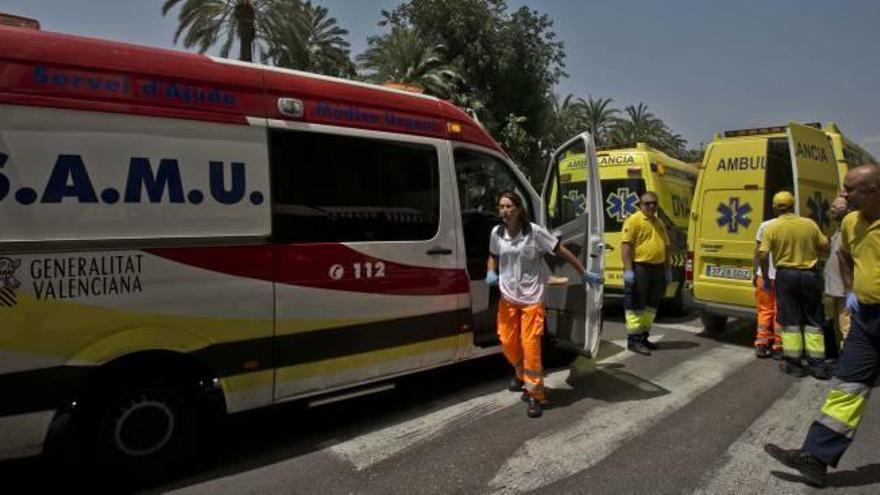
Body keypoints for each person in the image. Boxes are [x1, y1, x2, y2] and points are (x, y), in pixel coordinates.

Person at [765, 165, 880, 488]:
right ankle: (815, 457)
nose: (842, 195)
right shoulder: (851, 222)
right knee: (847, 387)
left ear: (873, 192)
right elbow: (843, 255)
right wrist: (852, 289)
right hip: (867, 318)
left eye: (849, 189)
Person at [486, 191, 603, 418]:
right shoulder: (497, 233)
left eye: (509, 206)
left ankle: (535, 395)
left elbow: (562, 251)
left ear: (519, 209)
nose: (504, 211)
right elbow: (492, 255)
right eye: (501, 207)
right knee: (508, 342)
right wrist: (491, 271)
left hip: (531, 299)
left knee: (530, 347)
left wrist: (583, 272)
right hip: (508, 298)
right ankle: (520, 374)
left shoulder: (534, 233)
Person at [759, 191, 829, 379]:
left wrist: (765, 275)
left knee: (791, 321)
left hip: (786, 276)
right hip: (810, 275)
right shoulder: (809, 224)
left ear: (775, 208)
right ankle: (818, 365)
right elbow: (824, 246)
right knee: (813, 319)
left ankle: (795, 364)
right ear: (793, 205)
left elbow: (763, 254)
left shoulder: (771, 227)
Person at [621, 191, 670, 356]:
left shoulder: (659, 222)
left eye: (654, 203)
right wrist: (628, 271)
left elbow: (666, 246)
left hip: (657, 269)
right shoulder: (634, 220)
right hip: (640, 267)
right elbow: (626, 246)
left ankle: (643, 337)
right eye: (647, 203)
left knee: (651, 306)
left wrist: (667, 269)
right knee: (636, 305)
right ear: (640, 205)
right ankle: (634, 340)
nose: (651, 206)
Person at [824, 196, 851, 351]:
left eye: (836, 207)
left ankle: (848, 356)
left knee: (846, 324)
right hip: (835, 287)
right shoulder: (839, 228)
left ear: (848, 209)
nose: (831, 210)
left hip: (844, 288)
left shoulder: (850, 229)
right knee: (837, 323)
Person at [752, 218, 782, 359]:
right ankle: (778, 345)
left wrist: (755, 272)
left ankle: (762, 343)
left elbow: (758, 252)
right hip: (782, 276)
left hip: (764, 276)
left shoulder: (764, 225)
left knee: (764, 310)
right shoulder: (793, 225)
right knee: (780, 311)